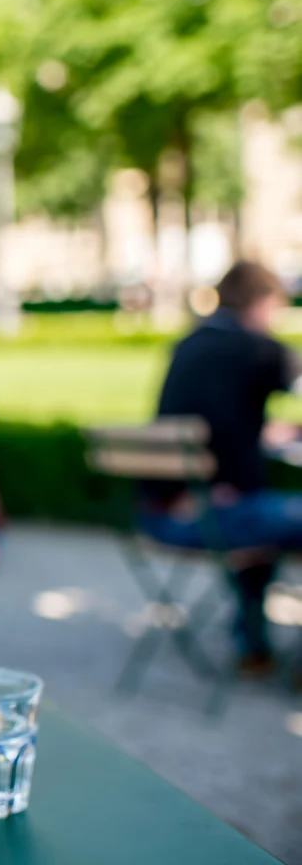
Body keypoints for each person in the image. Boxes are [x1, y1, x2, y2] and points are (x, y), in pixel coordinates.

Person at [141, 261, 302, 674]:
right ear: (261, 304)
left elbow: (214, 421)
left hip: (160, 511)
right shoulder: (256, 348)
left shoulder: (188, 344)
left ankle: (253, 643)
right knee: (276, 515)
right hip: (210, 517)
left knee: (265, 518)